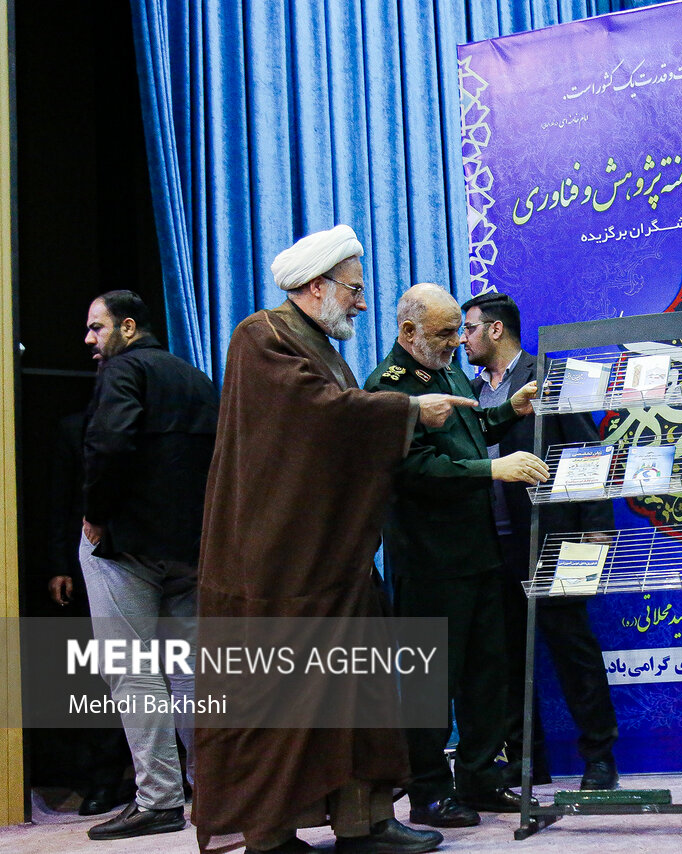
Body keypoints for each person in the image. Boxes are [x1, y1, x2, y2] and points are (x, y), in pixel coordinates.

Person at [195, 226, 471, 854]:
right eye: (354, 289)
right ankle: (270, 836)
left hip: (332, 557)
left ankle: (363, 824)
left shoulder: (316, 342)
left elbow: (336, 421)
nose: (363, 303)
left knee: (360, 696)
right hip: (277, 566)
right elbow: (315, 415)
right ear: (316, 287)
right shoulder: (261, 337)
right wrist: (408, 410)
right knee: (278, 710)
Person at [365, 283, 547, 827]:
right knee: (430, 685)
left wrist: (509, 410)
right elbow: (415, 469)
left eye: (456, 331)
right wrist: (494, 469)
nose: (456, 341)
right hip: (429, 562)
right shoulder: (388, 389)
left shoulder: (443, 371)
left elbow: (470, 431)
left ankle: (480, 778)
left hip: (477, 553)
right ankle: (428, 792)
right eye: (445, 332)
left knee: (486, 677)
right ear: (409, 331)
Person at [459, 290, 621, 792]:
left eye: (469, 328)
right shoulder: (468, 392)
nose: (462, 339)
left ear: (496, 330)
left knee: (573, 650)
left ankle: (600, 759)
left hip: (553, 538)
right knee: (506, 657)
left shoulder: (550, 378)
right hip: (491, 548)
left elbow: (588, 450)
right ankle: (527, 760)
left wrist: (597, 526)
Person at [74, 291, 217, 841]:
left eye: (97, 327)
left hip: (127, 546)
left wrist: (95, 512)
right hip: (191, 548)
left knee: (131, 668)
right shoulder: (196, 377)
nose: (89, 339)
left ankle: (158, 801)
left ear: (129, 327)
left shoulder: (122, 370)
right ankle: (212, 791)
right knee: (189, 672)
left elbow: (109, 443)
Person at [47, 408, 135, 817]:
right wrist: (59, 564)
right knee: (100, 671)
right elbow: (60, 499)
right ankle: (103, 779)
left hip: (149, 552)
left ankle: (163, 779)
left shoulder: (152, 422)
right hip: (94, 556)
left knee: (160, 667)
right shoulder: (74, 428)